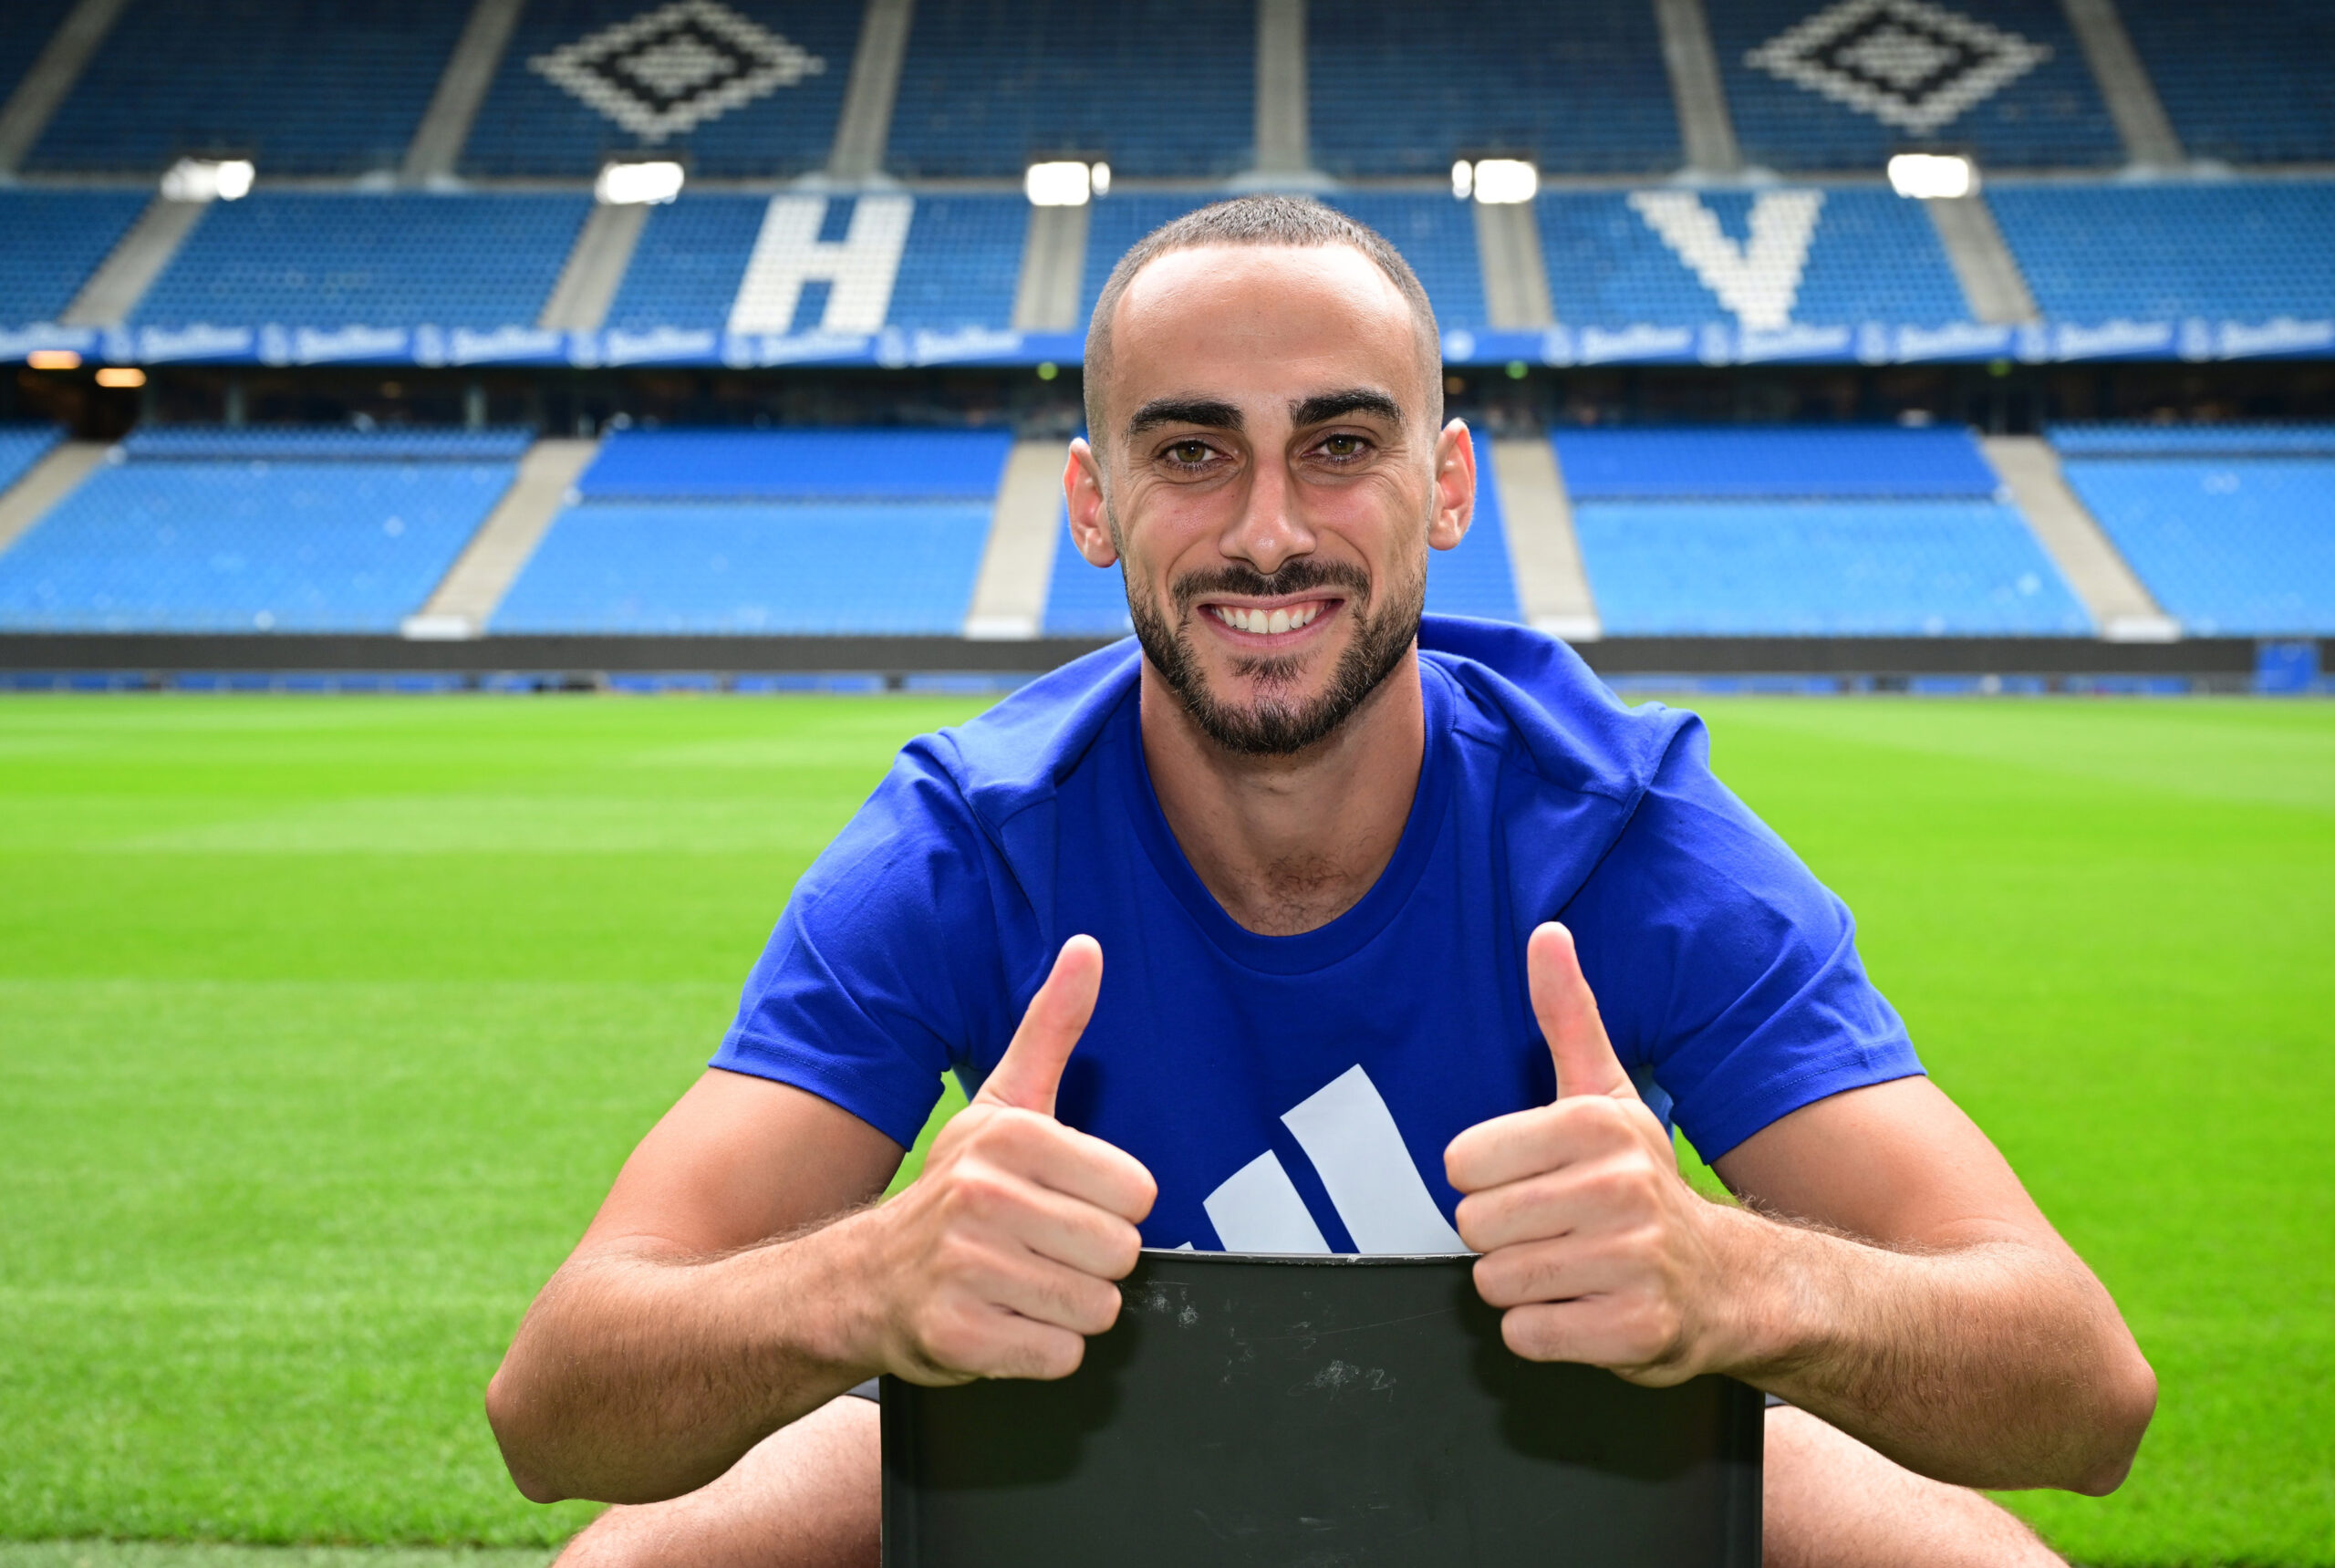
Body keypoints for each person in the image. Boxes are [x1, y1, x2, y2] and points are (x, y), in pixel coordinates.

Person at [485, 197, 2155, 1568]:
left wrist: (1740, 1283)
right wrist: (867, 1284)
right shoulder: (970, 840)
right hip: (1067, 1428)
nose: (1267, 530)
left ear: (1446, 486)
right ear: (1095, 501)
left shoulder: (1628, 835)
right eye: (1193, 452)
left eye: (1339, 444)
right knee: (635, 1559)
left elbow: (2084, 1395)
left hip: (1569, 1422)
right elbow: (553, 1409)